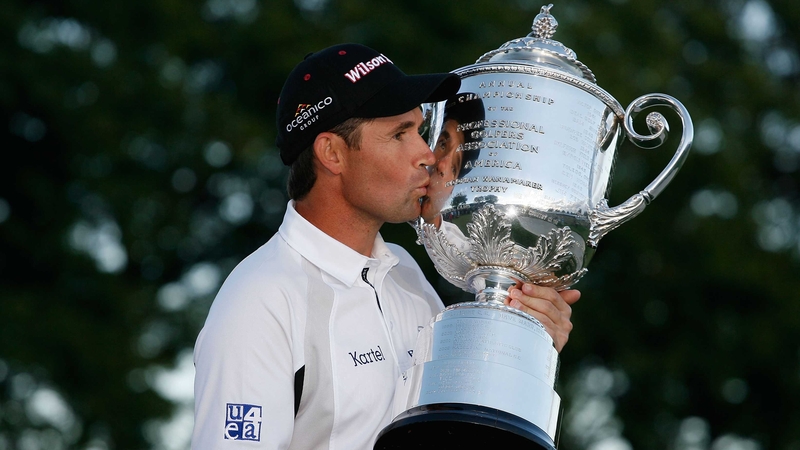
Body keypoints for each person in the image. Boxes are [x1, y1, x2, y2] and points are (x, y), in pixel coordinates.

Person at [191, 43, 581, 450]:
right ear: (332, 153)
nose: (428, 155)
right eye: (400, 134)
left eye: (419, 130)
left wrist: (528, 347)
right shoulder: (261, 299)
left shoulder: (405, 274)